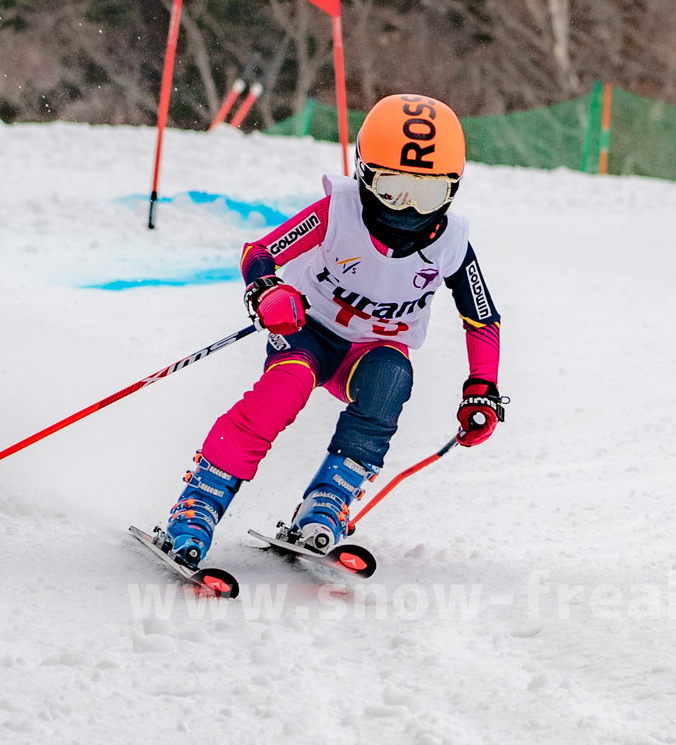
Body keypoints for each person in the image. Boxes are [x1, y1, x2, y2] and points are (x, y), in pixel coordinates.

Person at [156, 93, 504, 567]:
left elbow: (481, 318)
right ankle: (198, 504)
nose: (408, 209)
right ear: (363, 173)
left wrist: (482, 388)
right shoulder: (338, 211)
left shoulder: (451, 242)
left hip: (374, 347)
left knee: (390, 381)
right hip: (309, 332)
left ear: (454, 188)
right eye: (392, 189)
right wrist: (268, 291)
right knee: (285, 386)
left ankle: (327, 503)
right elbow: (259, 253)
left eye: (428, 194)